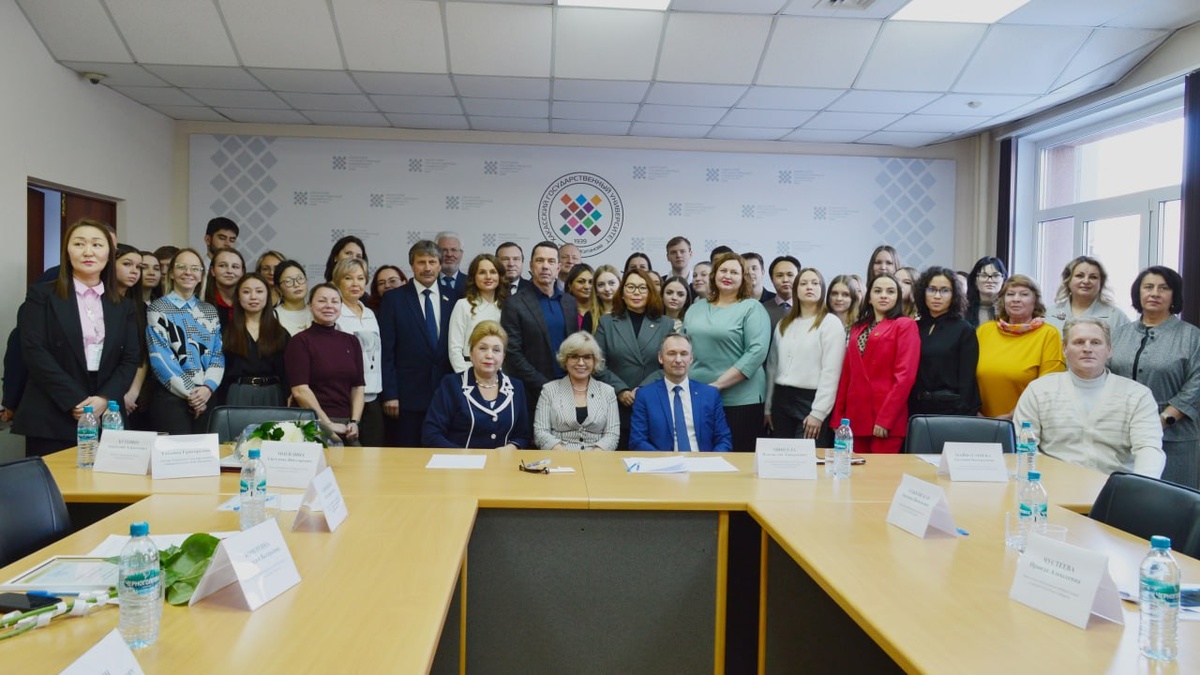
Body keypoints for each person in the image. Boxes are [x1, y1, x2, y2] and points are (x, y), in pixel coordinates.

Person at [14, 219, 140, 456]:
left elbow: (131, 357)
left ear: (109, 254)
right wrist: (75, 400)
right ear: (67, 251)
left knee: (105, 478)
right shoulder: (42, 295)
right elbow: (34, 351)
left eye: (97, 244)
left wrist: (104, 398)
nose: (88, 252)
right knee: (53, 479)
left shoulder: (124, 306)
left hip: (106, 413)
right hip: (52, 410)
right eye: (79, 244)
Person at [1015, 318, 1164, 477]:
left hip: (1114, 488)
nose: (1087, 349)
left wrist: (1139, 486)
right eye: (1079, 342)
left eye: (1095, 342)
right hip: (1053, 485)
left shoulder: (1137, 395)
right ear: (1064, 349)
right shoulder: (1039, 390)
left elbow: (1148, 448)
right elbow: (1024, 447)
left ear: (1109, 350)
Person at [1110, 266, 1200, 488]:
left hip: (1175, 437)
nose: (1155, 293)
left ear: (1174, 295)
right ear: (1138, 293)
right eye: (1148, 287)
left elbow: (1196, 385)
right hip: (1120, 434)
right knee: (1127, 498)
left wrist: (1163, 420)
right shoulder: (1119, 334)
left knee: (1174, 501)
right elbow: (1104, 376)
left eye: (1164, 288)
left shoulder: (1191, 336)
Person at [682, 252, 771, 452]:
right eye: (723, 270)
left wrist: (718, 385)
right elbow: (683, 346)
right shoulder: (696, 308)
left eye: (734, 272)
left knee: (736, 458)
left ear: (743, 278)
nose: (727, 276)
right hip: (698, 396)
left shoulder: (752, 308)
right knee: (700, 457)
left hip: (740, 401)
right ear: (714, 275)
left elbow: (756, 352)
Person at [832, 273, 919, 454]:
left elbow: (905, 377)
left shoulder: (905, 325)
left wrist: (886, 419)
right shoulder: (858, 327)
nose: (884, 295)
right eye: (878, 291)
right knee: (852, 470)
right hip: (854, 417)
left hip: (885, 419)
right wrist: (838, 417)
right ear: (869, 297)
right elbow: (847, 375)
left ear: (898, 297)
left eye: (890, 291)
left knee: (881, 472)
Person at [380, 240, 455, 446]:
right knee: (408, 455)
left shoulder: (455, 297)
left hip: (446, 395)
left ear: (440, 265)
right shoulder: (394, 299)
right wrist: (390, 394)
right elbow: (386, 351)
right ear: (412, 266)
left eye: (432, 262)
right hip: (407, 398)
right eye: (421, 262)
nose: (427, 268)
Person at [146, 248, 224, 434]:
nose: (188, 272)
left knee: (207, 452)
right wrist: (192, 394)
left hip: (207, 395)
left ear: (201, 276)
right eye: (182, 267)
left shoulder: (209, 311)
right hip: (171, 398)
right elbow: (161, 359)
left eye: (195, 268)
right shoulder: (158, 308)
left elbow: (217, 354)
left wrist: (207, 388)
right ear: (172, 273)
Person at [594, 269, 674, 449]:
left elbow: (671, 364)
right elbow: (597, 363)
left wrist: (643, 389)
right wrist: (621, 390)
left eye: (642, 288)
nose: (636, 292)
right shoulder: (607, 322)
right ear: (622, 293)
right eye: (630, 287)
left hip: (653, 401)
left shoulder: (665, 324)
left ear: (651, 292)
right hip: (616, 405)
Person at [501, 241, 579, 418]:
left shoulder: (569, 302)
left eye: (551, 261)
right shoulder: (514, 303)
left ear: (558, 268)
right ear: (531, 266)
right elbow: (513, 354)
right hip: (530, 393)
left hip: (569, 390)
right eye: (540, 260)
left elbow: (575, 347)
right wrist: (545, 386)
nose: (545, 266)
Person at [423, 320, 529, 449]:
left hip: (503, 461)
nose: (489, 355)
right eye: (483, 348)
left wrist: (512, 448)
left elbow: (522, 436)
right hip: (459, 461)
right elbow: (431, 434)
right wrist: (466, 457)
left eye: (496, 350)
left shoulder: (516, 387)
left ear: (503, 356)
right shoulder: (451, 384)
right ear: (471, 353)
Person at [765, 269, 844, 441]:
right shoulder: (784, 324)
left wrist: (819, 413)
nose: (809, 287)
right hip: (781, 399)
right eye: (803, 283)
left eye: (815, 283)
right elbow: (772, 366)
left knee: (808, 455)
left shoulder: (830, 323)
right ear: (796, 290)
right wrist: (768, 408)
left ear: (822, 289)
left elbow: (831, 373)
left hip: (811, 401)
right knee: (782, 453)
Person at [975, 274, 1065, 419]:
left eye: (1024, 294)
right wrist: (974, 413)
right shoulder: (985, 331)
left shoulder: (1048, 334)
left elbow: (1048, 387)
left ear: (1035, 301)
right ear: (1003, 300)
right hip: (979, 421)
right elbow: (966, 377)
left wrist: (1011, 416)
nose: (1016, 299)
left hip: (1026, 422)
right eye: (1010, 294)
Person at [285, 283, 363, 445]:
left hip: (346, 424)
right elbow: (300, 391)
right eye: (322, 301)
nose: (329, 306)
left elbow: (358, 387)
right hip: (312, 422)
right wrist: (327, 425)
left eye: (334, 301)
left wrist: (355, 422)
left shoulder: (351, 341)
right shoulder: (300, 341)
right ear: (310, 306)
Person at [629, 333, 732, 452]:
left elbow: (724, 439)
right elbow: (638, 441)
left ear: (691, 358)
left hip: (703, 461)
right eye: (671, 353)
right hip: (662, 462)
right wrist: (665, 461)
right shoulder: (645, 396)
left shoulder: (709, 394)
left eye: (684, 354)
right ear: (660, 357)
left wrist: (710, 461)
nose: (678, 360)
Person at [909, 266, 980, 417]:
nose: (937, 296)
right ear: (923, 292)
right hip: (915, 408)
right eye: (932, 289)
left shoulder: (964, 329)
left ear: (954, 295)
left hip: (950, 410)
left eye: (945, 291)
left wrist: (960, 414)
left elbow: (967, 381)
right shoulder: (914, 327)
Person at [533, 332, 620, 451]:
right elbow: (540, 432)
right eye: (574, 357)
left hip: (597, 458)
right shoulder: (549, 390)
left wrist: (596, 456)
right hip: (559, 456)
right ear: (565, 360)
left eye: (587, 357)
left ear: (595, 361)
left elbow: (612, 435)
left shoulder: (607, 392)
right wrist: (564, 455)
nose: (581, 363)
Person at [333, 257, 383, 446]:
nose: (355, 284)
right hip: (347, 397)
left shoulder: (370, 313)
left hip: (373, 396)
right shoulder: (335, 312)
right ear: (338, 282)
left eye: (360, 278)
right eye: (348, 278)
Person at [220, 273, 289, 408]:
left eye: (259, 291)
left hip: (272, 394)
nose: (253, 297)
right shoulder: (226, 332)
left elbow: (287, 373)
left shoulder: (280, 332)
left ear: (268, 295)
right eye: (246, 292)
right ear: (238, 297)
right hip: (238, 394)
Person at [448, 254, 504, 373]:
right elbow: (454, 349)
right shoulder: (463, 305)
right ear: (474, 277)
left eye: (493, 272)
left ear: (499, 276)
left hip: (501, 373)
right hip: (469, 370)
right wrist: (466, 376)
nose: (488, 277)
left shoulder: (508, 307)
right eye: (482, 272)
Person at [114, 244, 150, 428]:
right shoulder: (99, 303)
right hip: (105, 390)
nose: (134, 271)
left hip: (133, 393)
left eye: (139, 267)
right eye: (127, 264)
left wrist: (132, 393)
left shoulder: (140, 307)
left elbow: (142, 354)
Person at [1045, 255, 1129, 333]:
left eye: (1093, 277)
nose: (1086, 281)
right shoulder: (1050, 314)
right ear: (1068, 280)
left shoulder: (1116, 317)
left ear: (1101, 283)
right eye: (1079, 276)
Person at [204, 248, 245, 326]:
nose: (229, 271)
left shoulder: (250, 301)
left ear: (242, 272)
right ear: (213, 271)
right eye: (222, 266)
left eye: (235, 267)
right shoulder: (201, 300)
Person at [965, 256, 1007, 327]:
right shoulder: (964, 310)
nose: (990, 280)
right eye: (984, 275)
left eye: (995, 275)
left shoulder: (1009, 310)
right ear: (975, 281)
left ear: (1003, 280)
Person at [274, 260, 311, 336]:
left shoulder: (317, 312)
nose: (296, 284)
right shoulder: (273, 316)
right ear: (278, 288)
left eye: (300, 278)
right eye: (288, 281)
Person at [764, 255, 800, 328]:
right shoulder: (762, 309)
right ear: (771, 279)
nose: (785, 280)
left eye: (790, 275)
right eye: (779, 275)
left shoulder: (807, 308)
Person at [564, 263, 597, 332]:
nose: (587, 287)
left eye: (591, 282)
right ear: (569, 285)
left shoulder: (601, 311)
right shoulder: (562, 312)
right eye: (581, 282)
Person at [436, 231, 467, 296]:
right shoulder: (428, 282)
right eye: (444, 250)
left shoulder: (472, 283)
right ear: (436, 253)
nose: (449, 254)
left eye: (453, 250)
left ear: (461, 253)